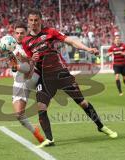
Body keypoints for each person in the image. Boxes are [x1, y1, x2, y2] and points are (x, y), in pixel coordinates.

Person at [22, 9, 118, 148]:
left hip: (61, 74)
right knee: (41, 107)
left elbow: (71, 41)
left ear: (41, 20)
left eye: (36, 20)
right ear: (28, 21)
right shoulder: (26, 41)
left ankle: (101, 126)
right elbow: (30, 61)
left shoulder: (50, 32)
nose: (34, 23)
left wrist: (87, 49)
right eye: (31, 20)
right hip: (44, 78)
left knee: (82, 103)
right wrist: (31, 59)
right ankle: (49, 139)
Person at [0, 22, 44, 143]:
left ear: (26, 33)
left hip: (33, 76)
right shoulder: (9, 45)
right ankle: (35, 132)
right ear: (14, 34)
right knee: (19, 115)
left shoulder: (32, 44)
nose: (19, 35)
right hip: (19, 80)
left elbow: (34, 61)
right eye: (17, 33)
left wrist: (27, 59)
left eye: (22, 33)